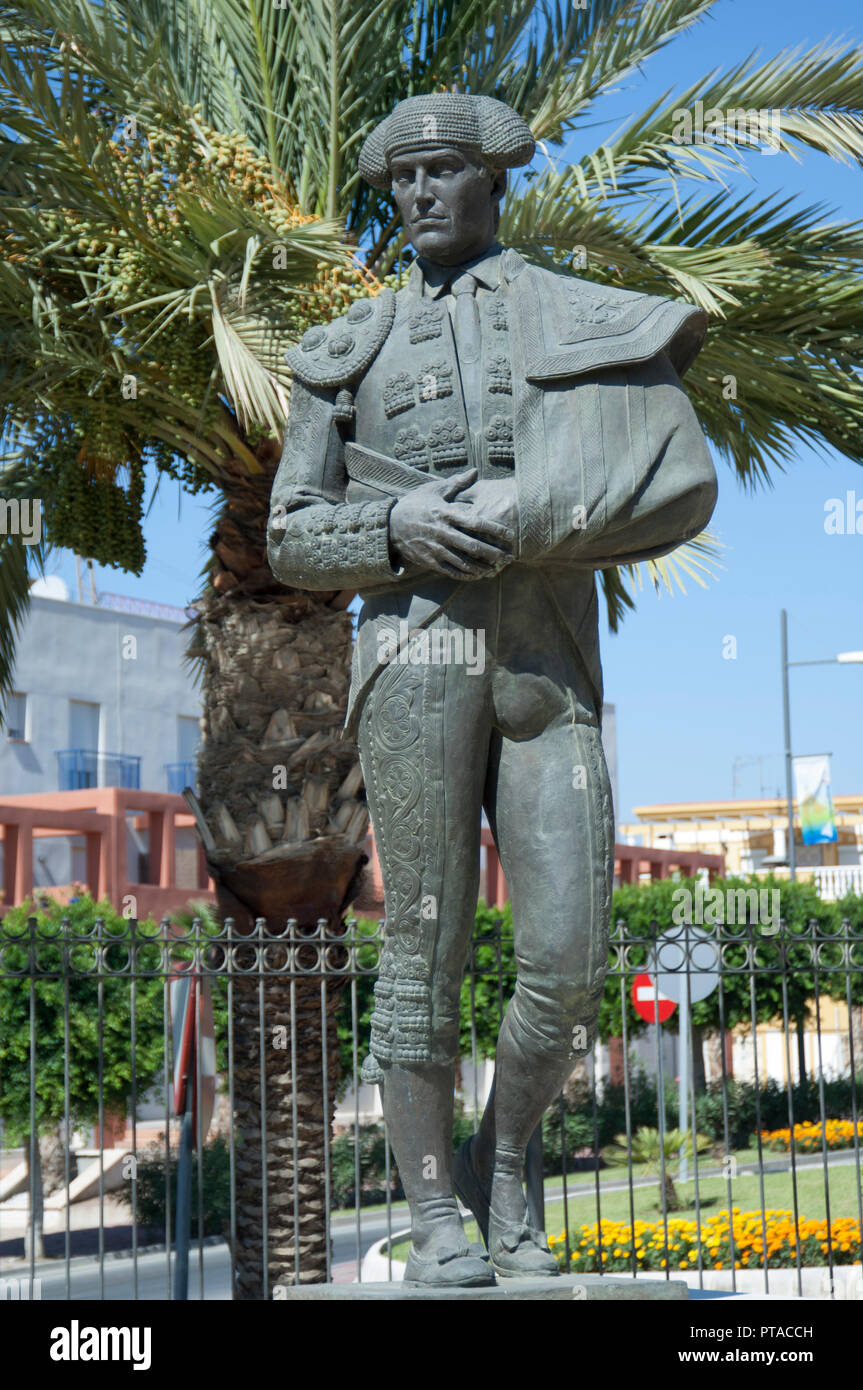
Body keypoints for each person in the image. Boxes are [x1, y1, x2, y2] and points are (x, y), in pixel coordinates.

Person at [268, 93, 717, 1287]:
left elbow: (671, 477)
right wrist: (399, 522)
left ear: (492, 180)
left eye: (443, 170)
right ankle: (434, 1218)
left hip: (545, 667)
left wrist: (542, 514)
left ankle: (501, 1163)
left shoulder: (572, 313)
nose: (418, 193)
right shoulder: (346, 349)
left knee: (569, 960)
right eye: (402, 175)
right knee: (421, 949)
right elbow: (293, 538)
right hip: (414, 663)